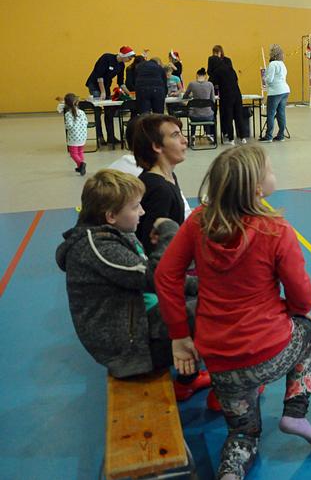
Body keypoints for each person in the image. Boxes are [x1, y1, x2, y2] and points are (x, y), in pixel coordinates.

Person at [155, 145, 311, 480]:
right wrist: (294, 314)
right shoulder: (276, 230)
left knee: (243, 432)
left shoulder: (198, 223)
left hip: (221, 361)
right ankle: (295, 410)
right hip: (270, 351)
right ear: (257, 189)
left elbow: (165, 275)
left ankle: (230, 472)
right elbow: (303, 298)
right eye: (270, 169)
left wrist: (179, 334)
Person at [55, 169, 211, 399]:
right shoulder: (96, 247)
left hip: (135, 324)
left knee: (207, 299)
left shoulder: (114, 233)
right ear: (110, 216)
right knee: (214, 311)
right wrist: (170, 233)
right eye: (135, 206)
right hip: (130, 347)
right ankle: (233, 387)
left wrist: (203, 286)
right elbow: (157, 278)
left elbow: (161, 280)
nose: (143, 211)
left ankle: (189, 379)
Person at [134, 114, 189, 254]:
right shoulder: (158, 189)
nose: (185, 140)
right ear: (157, 146)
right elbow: (152, 244)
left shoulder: (169, 177)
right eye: (176, 135)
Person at [85, 46, 134, 145]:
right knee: (98, 110)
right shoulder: (106, 58)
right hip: (94, 85)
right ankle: (100, 136)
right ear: (124, 55)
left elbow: (120, 82)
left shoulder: (121, 65)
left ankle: (111, 137)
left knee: (109, 111)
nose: (130, 60)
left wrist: (130, 94)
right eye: (129, 58)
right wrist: (102, 92)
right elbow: (99, 76)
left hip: (106, 86)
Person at [210, 51, 248, 145]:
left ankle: (231, 139)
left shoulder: (217, 71)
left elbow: (210, 83)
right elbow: (236, 79)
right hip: (237, 94)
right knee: (239, 116)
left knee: (229, 117)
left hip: (226, 96)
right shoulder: (230, 68)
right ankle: (243, 137)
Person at [259, 44, 290, 142]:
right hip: (285, 90)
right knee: (281, 113)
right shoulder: (282, 64)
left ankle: (268, 136)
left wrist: (264, 77)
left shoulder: (272, 64)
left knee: (271, 114)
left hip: (275, 92)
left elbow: (270, 79)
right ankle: (281, 135)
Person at [58, 93, 87, 176]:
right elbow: (86, 122)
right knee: (80, 151)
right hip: (83, 136)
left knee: (73, 153)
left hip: (74, 137)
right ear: (77, 102)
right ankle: (80, 167)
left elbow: (69, 126)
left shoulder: (68, 114)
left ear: (66, 104)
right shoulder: (82, 112)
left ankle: (81, 164)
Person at [183, 67, 216, 140]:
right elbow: (212, 100)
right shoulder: (210, 84)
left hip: (195, 117)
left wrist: (191, 95)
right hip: (208, 116)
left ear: (197, 75)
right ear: (205, 76)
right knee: (207, 112)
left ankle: (193, 135)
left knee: (194, 112)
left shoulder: (192, 84)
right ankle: (208, 133)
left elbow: (185, 96)